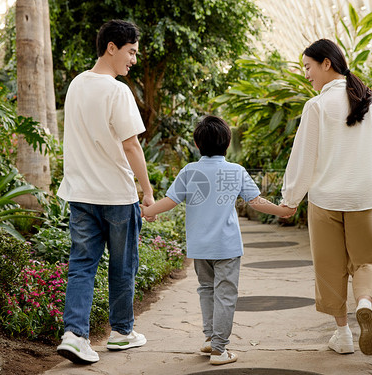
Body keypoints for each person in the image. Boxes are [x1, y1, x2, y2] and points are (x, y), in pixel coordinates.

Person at [141, 115, 296, 365]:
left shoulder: (189, 171)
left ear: (198, 144)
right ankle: (220, 349)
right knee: (225, 294)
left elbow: (171, 201)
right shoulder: (236, 171)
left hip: (200, 247)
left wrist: (148, 211)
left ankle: (210, 338)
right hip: (227, 246)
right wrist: (283, 210)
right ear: (226, 142)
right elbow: (256, 202)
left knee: (206, 290)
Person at [280, 39, 372, 356]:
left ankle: (343, 334)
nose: (307, 75)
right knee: (366, 262)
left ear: (326, 63)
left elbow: (304, 158)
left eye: (308, 67)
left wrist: (291, 199)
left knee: (329, 268)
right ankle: (364, 302)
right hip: (363, 197)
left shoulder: (317, 106)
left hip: (325, 200)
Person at [56, 19, 155, 364]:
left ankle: (74, 335)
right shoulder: (116, 91)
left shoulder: (76, 85)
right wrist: (148, 191)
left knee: (82, 265)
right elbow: (131, 146)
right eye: (131, 52)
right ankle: (122, 333)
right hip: (116, 195)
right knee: (123, 265)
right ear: (111, 47)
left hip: (81, 194)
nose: (133, 60)